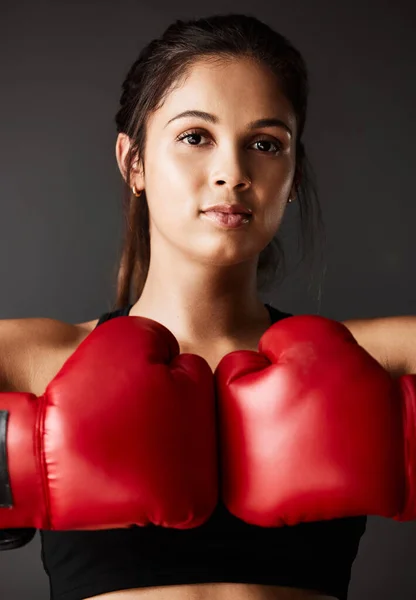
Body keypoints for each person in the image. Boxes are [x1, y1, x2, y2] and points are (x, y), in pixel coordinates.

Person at [0, 12, 415, 600]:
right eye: (196, 137)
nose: (233, 173)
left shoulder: (367, 361)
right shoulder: (41, 363)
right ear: (133, 161)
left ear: (292, 176)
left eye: (266, 145)